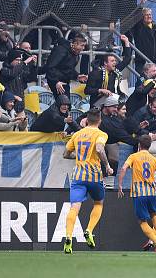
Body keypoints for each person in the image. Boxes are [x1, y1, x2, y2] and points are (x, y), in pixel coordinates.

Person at [61, 109, 112, 254]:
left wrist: (79, 158)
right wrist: (107, 166)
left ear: (87, 120)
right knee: (98, 202)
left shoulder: (77, 135)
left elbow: (65, 154)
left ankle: (69, 237)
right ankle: (89, 230)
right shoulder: (101, 134)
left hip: (78, 176)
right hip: (94, 175)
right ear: (100, 120)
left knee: (74, 207)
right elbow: (100, 148)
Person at [118, 134, 156, 252]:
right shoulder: (154, 159)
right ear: (149, 146)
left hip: (139, 193)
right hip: (152, 193)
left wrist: (120, 185)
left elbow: (123, 168)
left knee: (142, 221)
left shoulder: (133, 156)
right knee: (154, 215)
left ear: (139, 145)